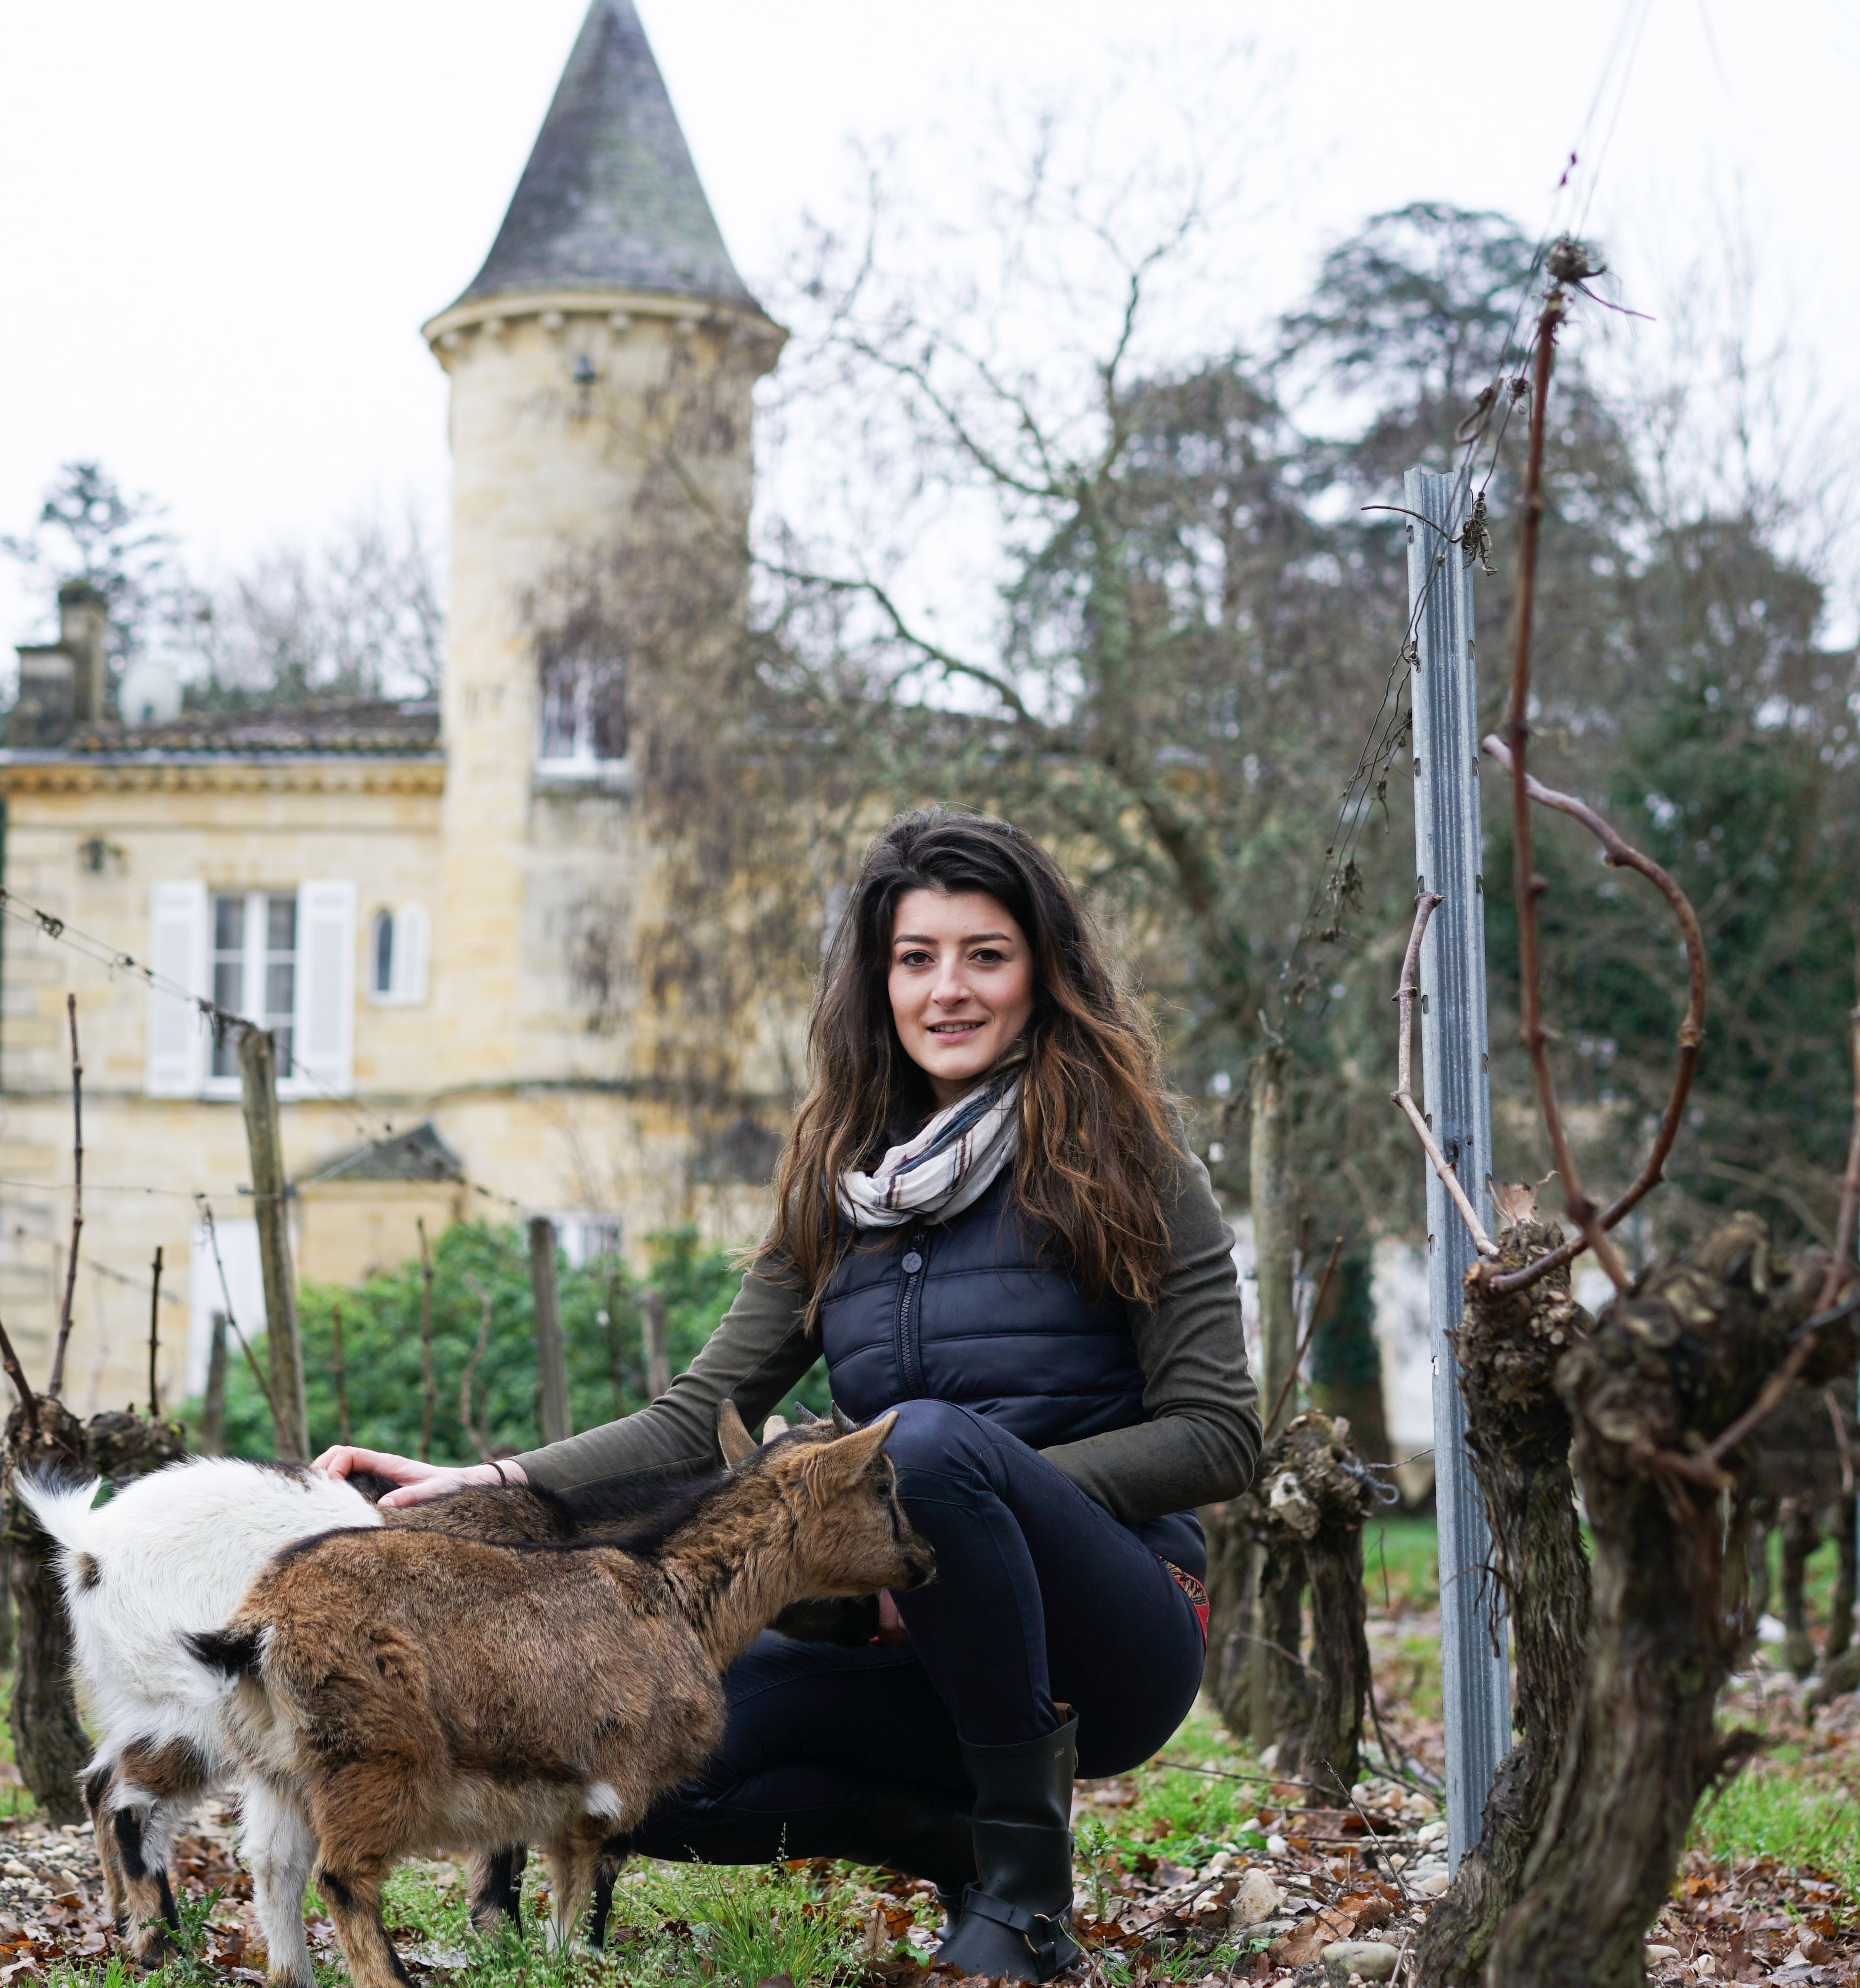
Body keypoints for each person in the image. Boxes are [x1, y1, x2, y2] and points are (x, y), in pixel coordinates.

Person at [316, 807, 1261, 1980]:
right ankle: (956, 1844)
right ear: (879, 984)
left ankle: (1026, 1892)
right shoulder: (839, 1186)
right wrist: (495, 1478)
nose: (947, 990)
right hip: (901, 1631)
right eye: (916, 960)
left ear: (1044, 975)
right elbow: (693, 1411)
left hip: (1116, 1631)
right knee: (630, 1774)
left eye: (986, 956)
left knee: (919, 1447)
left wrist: (977, 1521)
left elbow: (1221, 1435)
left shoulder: (1130, 1158)